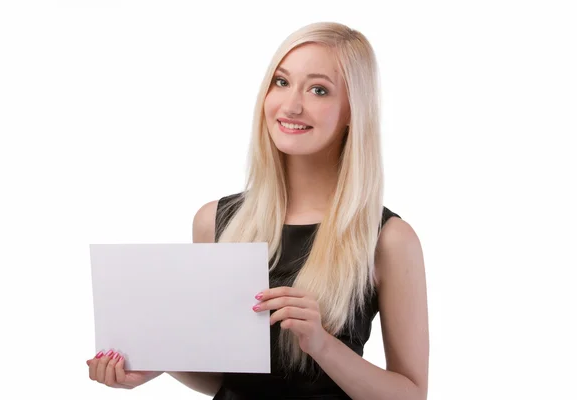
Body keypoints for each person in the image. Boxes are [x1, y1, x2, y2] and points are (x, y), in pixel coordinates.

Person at [86, 21, 429, 399]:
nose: (292, 105)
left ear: (353, 111)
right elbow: (230, 382)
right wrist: (159, 361)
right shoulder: (216, 222)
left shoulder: (388, 239)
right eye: (281, 82)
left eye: (319, 90)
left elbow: (411, 394)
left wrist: (322, 344)